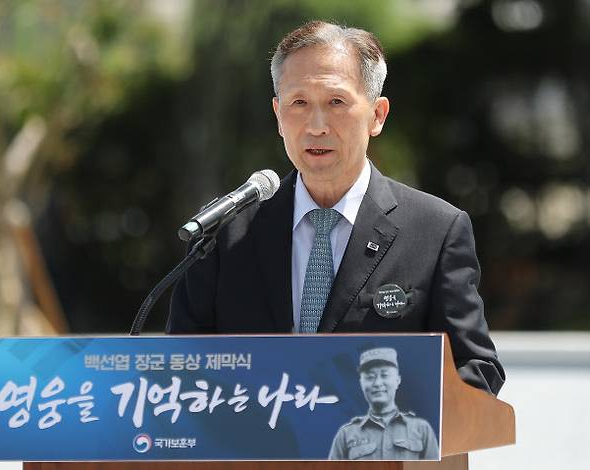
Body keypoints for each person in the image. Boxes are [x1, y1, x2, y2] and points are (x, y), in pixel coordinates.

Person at [167, 21, 505, 395]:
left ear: (377, 115)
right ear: (278, 114)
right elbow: (180, 365)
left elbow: (475, 370)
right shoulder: (225, 231)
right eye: (299, 103)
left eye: (336, 102)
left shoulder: (436, 230)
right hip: (251, 450)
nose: (316, 125)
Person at [329, 347, 439, 460]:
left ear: (398, 380)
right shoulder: (346, 434)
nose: (377, 383)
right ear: (361, 383)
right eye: (370, 377)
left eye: (384, 375)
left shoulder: (421, 429)